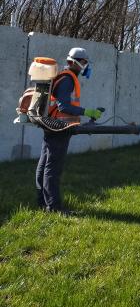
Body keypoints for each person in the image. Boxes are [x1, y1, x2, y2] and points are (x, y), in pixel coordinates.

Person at [35, 47, 103, 214]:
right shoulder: (67, 79)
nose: (85, 66)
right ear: (73, 62)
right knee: (53, 168)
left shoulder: (64, 77)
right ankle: (54, 207)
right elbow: (64, 106)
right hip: (59, 128)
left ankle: (43, 203)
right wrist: (88, 112)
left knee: (44, 164)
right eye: (84, 62)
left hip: (52, 125)